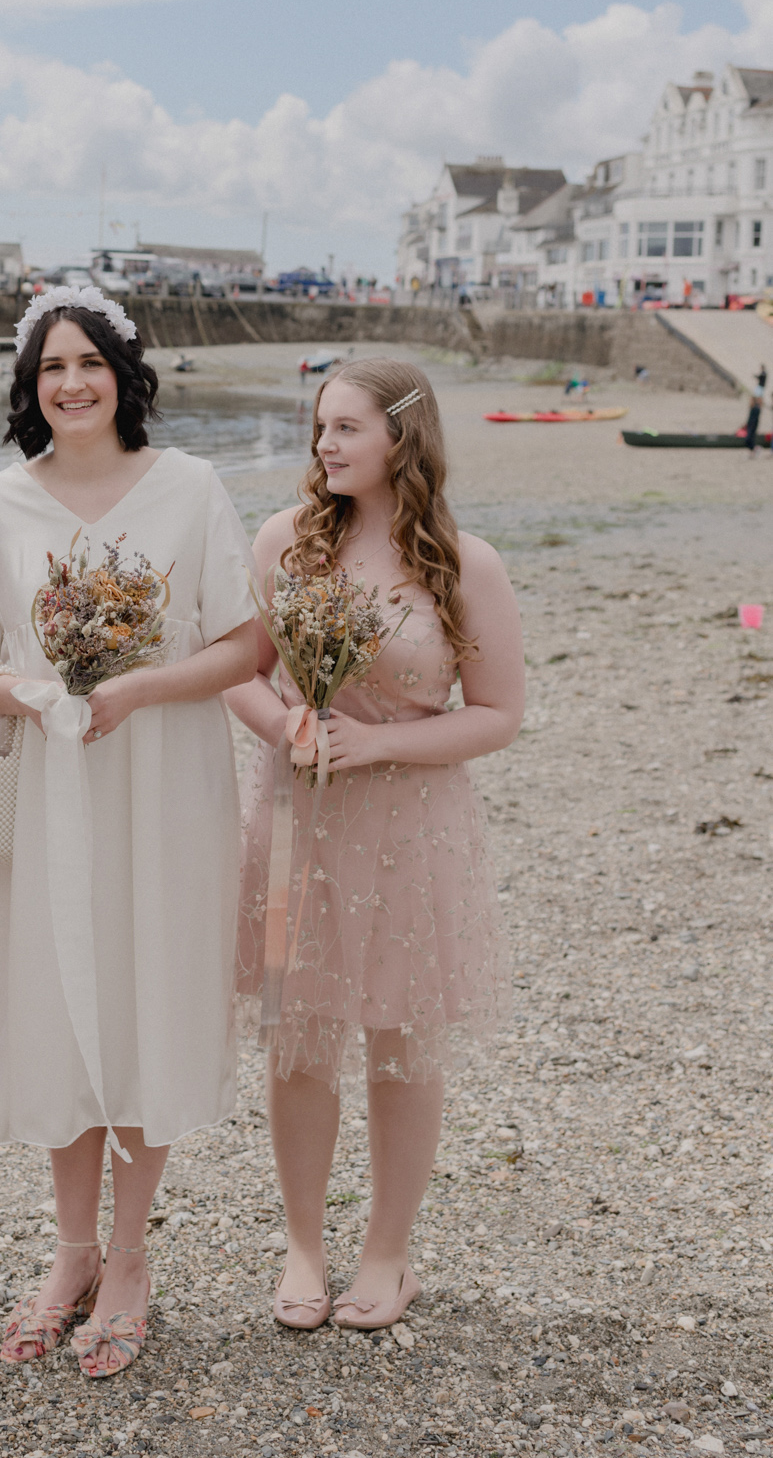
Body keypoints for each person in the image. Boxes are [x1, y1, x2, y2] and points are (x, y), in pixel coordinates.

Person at [0, 286, 262, 1378]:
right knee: (57, 1007)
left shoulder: (190, 487)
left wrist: (143, 686)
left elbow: (245, 642)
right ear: (29, 389)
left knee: (147, 996)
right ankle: (67, 1253)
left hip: (163, 780)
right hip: (45, 785)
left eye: (88, 362)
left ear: (123, 371)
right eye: (48, 369)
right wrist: (17, 688)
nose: (69, 383)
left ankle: (130, 1258)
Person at [225, 358, 523, 1333]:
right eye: (319, 427)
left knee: (402, 1044)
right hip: (299, 815)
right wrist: (288, 728)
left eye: (345, 426)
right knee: (299, 1040)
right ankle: (304, 1244)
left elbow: (496, 714)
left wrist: (381, 738)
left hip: (411, 824)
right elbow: (238, 672)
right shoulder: (285, 541)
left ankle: (388, 1253)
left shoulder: (462, 562)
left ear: (402, 434)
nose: (325, 445)